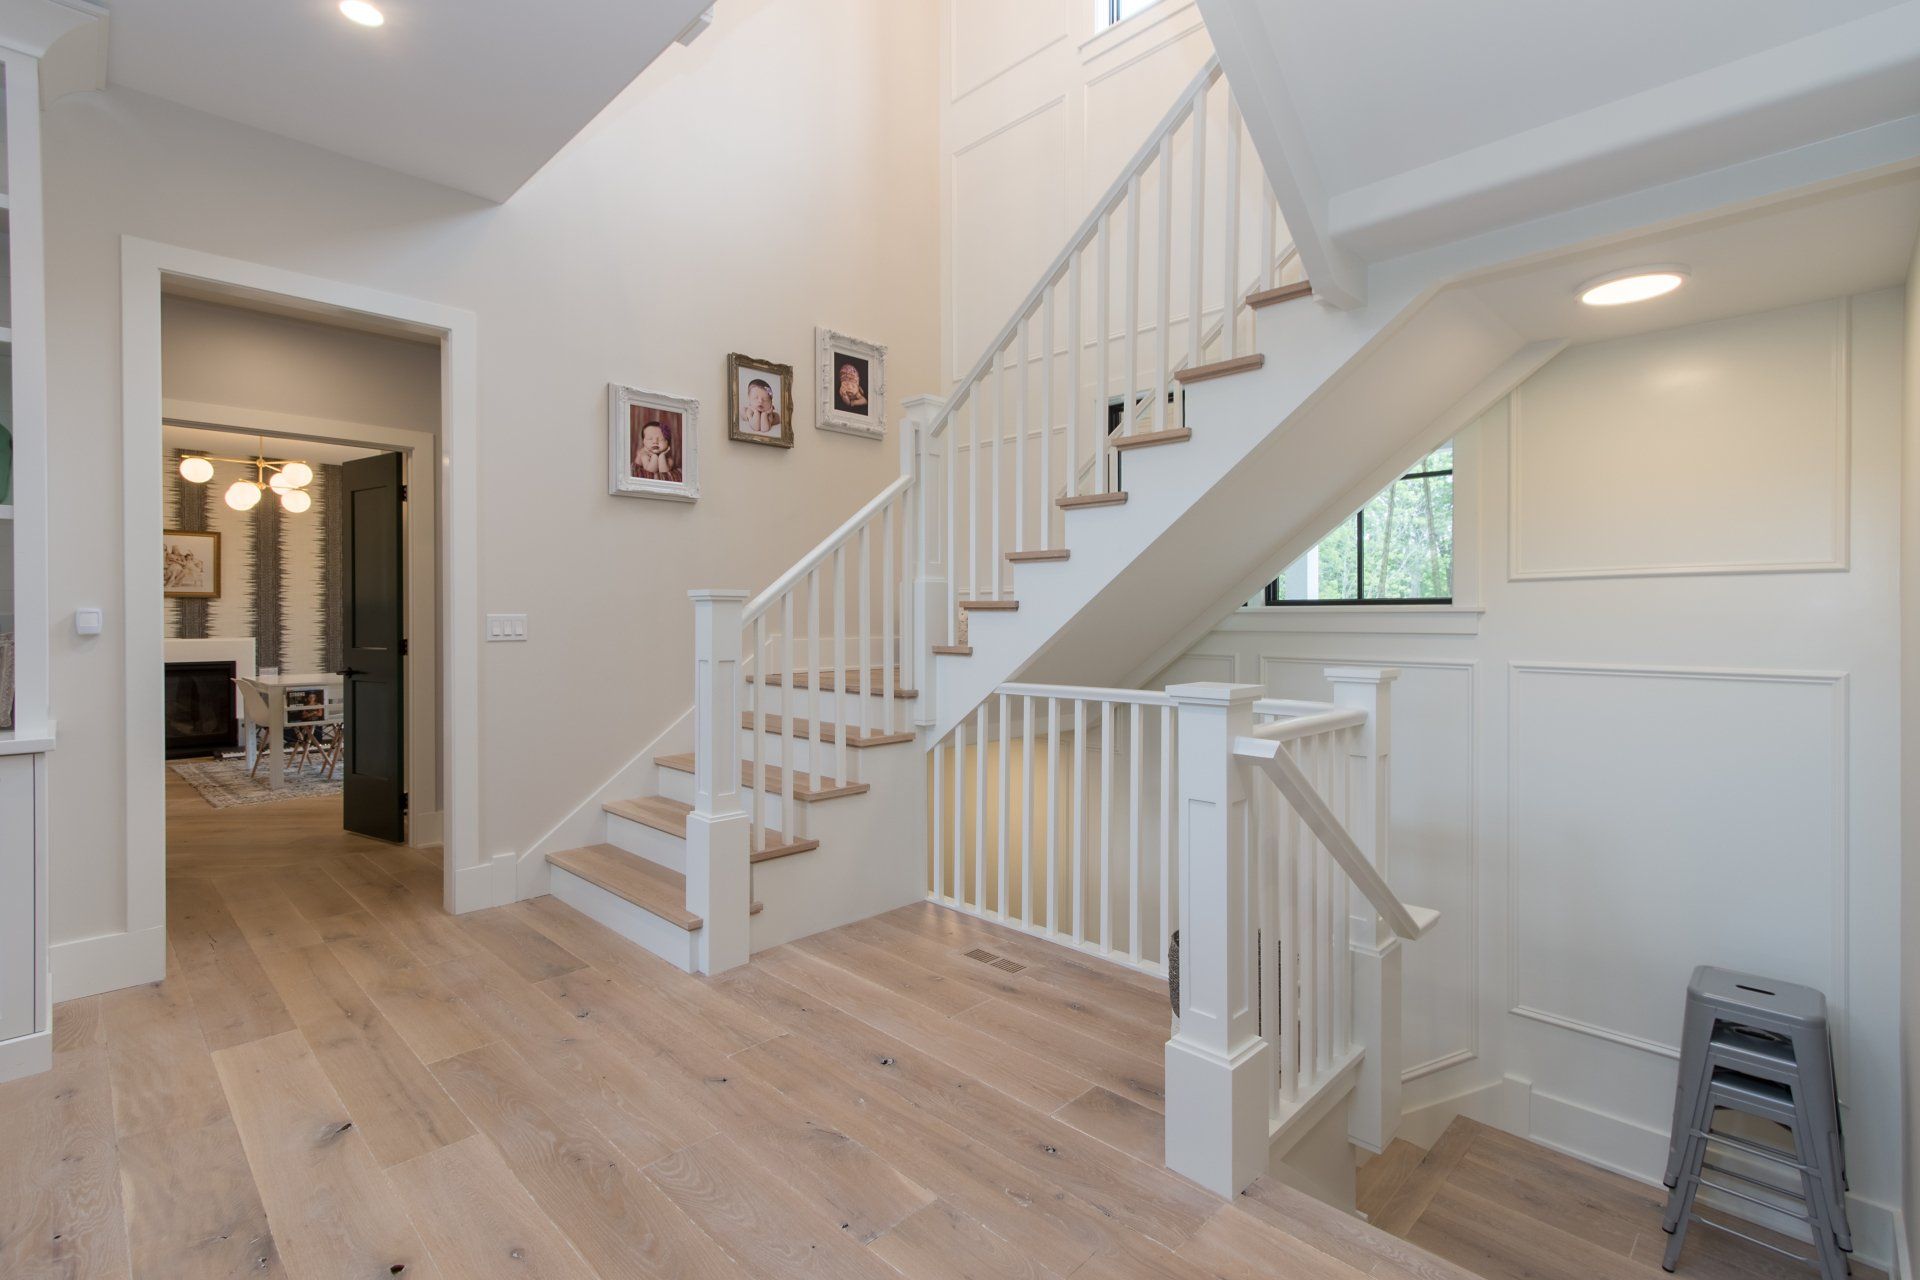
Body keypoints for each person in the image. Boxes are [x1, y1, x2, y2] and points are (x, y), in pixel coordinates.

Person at [632, 418, 681, 483]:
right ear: (643, 442)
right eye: (650, 439)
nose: (655, 442)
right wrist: (654, 456)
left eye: (661, 439)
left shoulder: (669, 459)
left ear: (668, 443)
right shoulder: (643, 454)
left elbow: (664, 472)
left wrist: (662, 455)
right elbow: (651, 470)